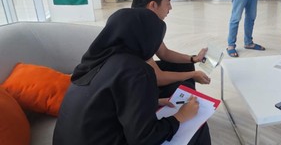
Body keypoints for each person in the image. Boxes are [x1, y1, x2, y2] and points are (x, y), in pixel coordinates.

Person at [53, 8, 210, 145]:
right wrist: (180, 116)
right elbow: (144, 139)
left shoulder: (96, 60)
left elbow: (104, 103)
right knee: (197, 126)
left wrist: (152, 102)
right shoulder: (136, 70)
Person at [131, 0, 211, 100]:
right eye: (168, 2)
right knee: (185, 86)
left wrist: (193, 59)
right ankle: (184, 108)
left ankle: (188, 104)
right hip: (132, 89)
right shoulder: (138, 30)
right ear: (153, 5)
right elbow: (158, 78)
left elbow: (164, 53)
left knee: (185, 66)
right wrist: (192, 75)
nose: (170, 7)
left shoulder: (141, 20)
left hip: (138, 74)